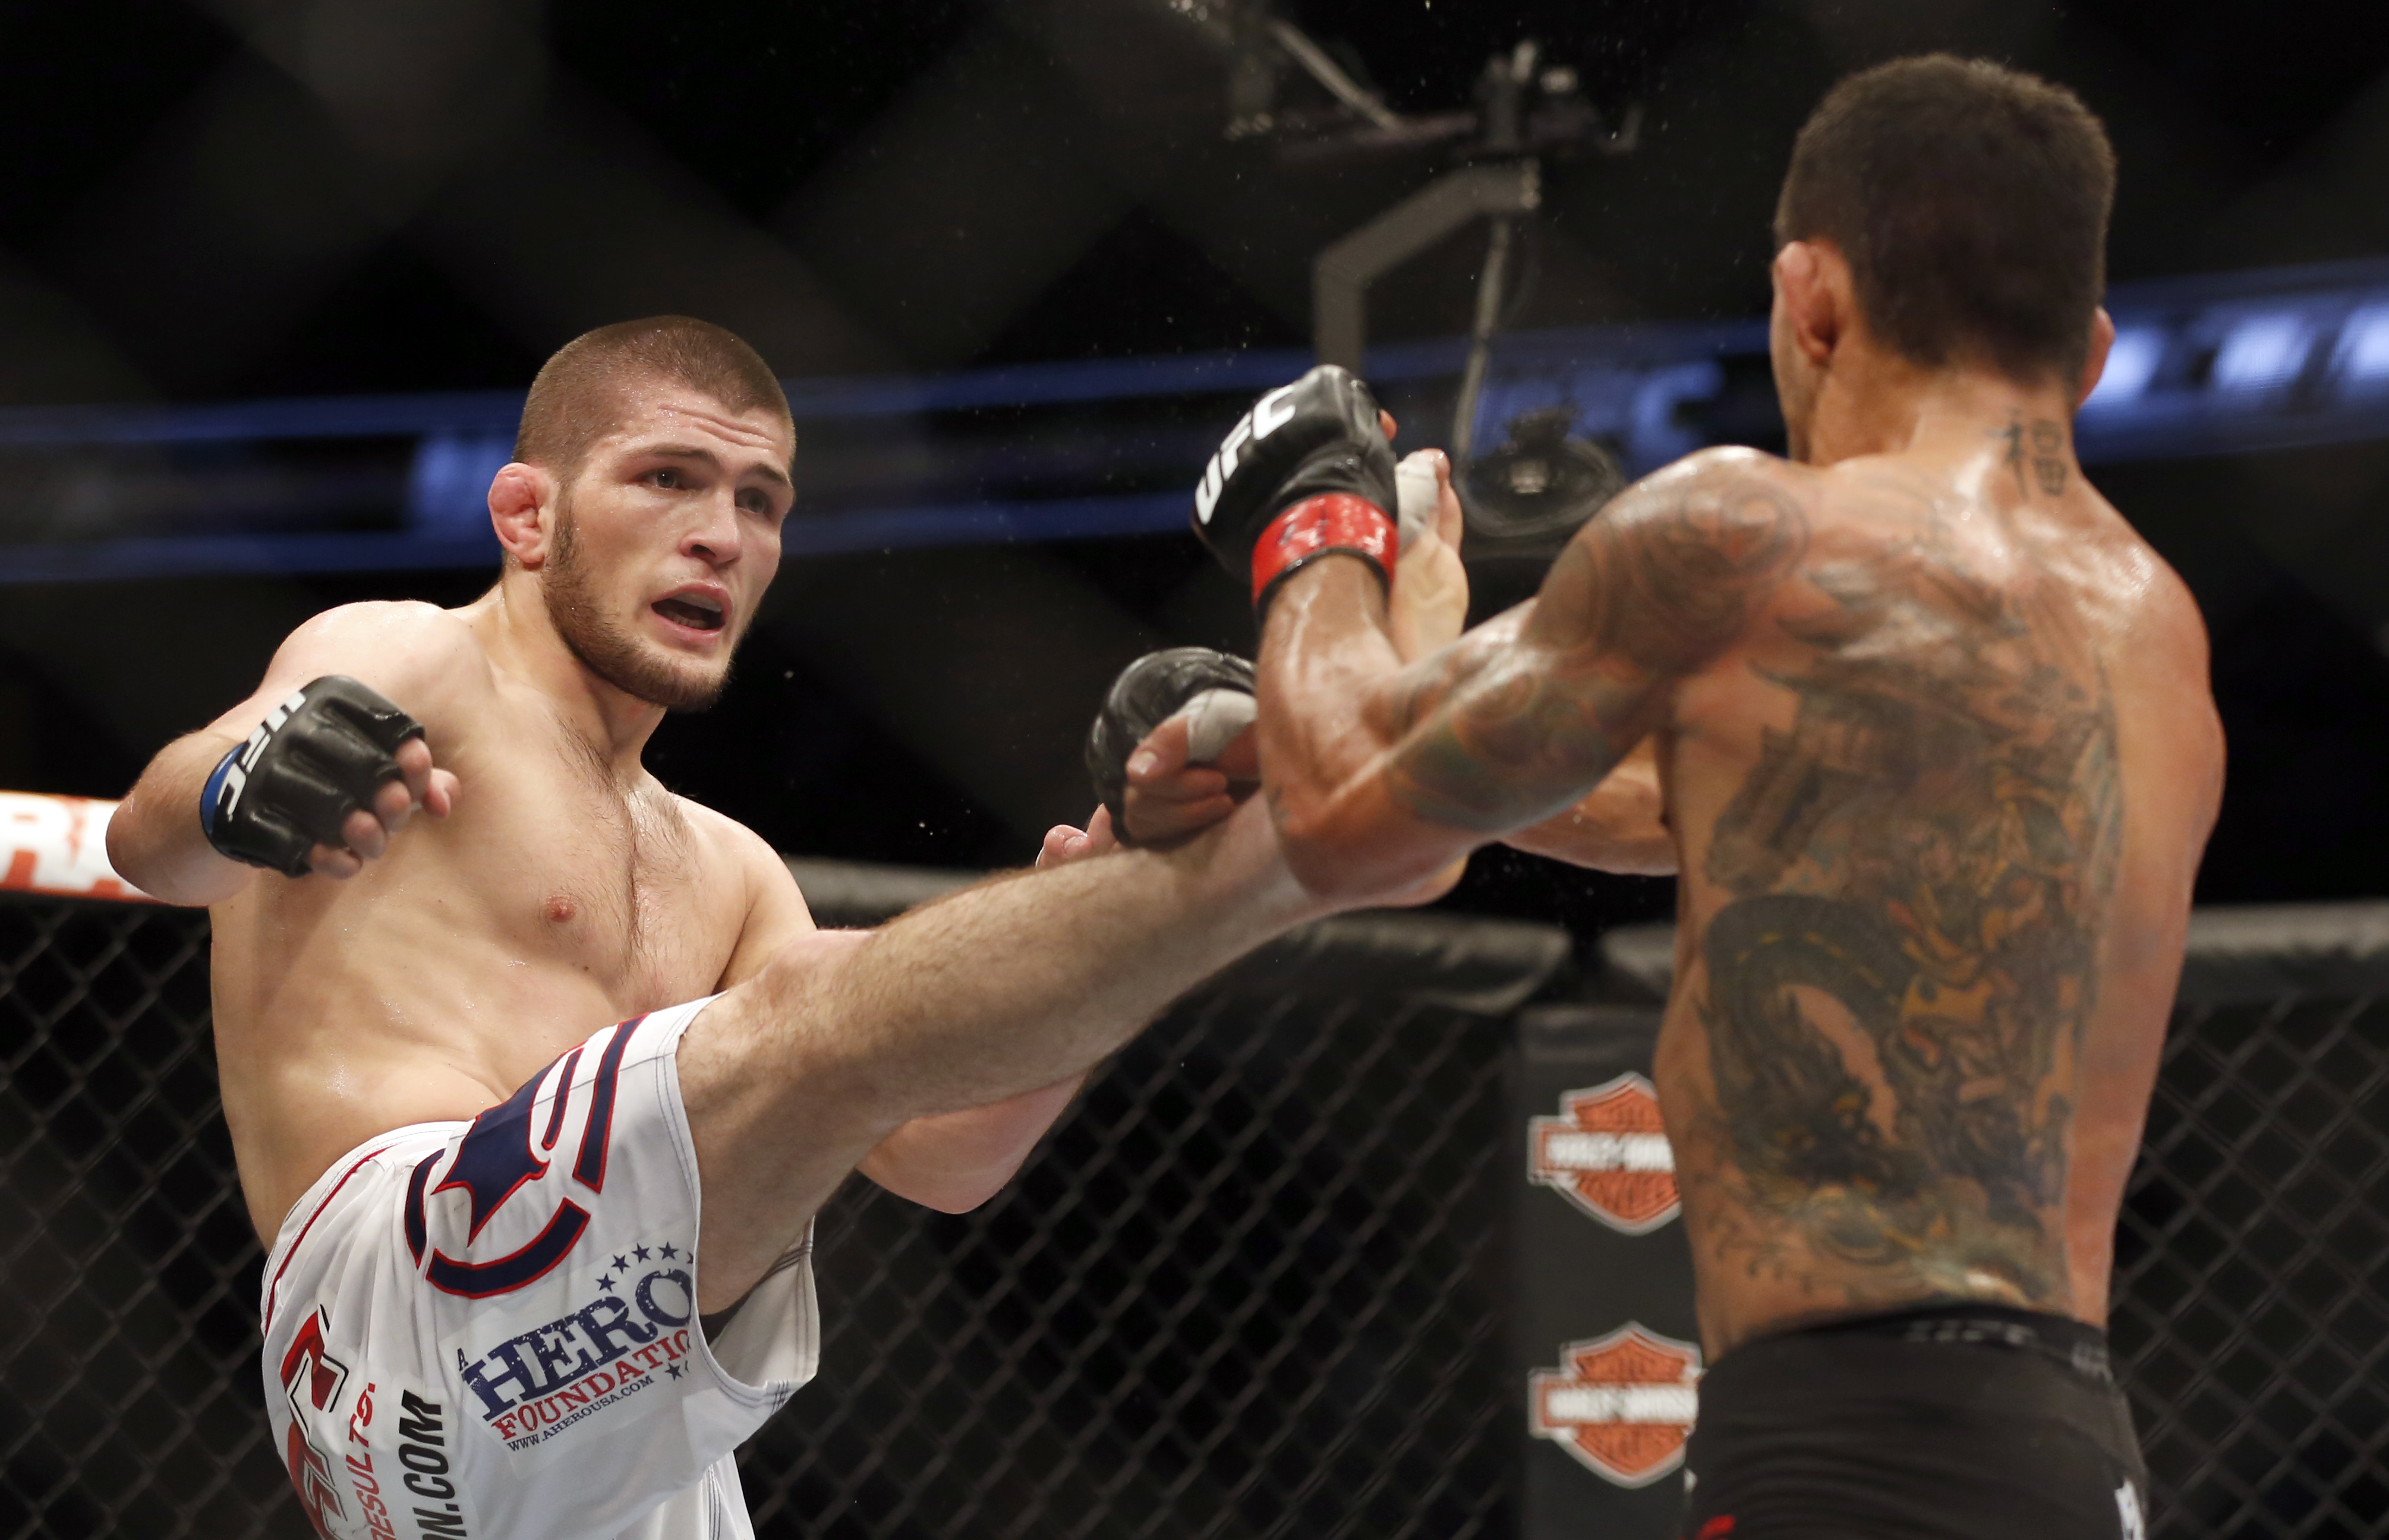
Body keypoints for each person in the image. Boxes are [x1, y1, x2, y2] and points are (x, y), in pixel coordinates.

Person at [1171, 56, 2223, 1539]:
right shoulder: (2149, 630)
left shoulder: (1752, 531)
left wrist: (1317, 515)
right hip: (2067, 1449)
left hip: (1848, 1449)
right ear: (2092, 351)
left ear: (1811, 299)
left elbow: (1347, 804)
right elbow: (1639, 799)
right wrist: (1401, 640)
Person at [105, 317, 1346, 1540]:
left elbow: (946, 1159)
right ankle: (1277, 819)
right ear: (528, 517)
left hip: (621, 1427)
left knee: (830, 1015)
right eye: (667, 479)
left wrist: (1113, 899)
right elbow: (149, 845)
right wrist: (241, 787)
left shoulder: (728, 865)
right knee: (816, 999)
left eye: (761, 502)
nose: (722, 535)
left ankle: (1167, 874)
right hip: (406, 1318)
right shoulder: (417, 661)